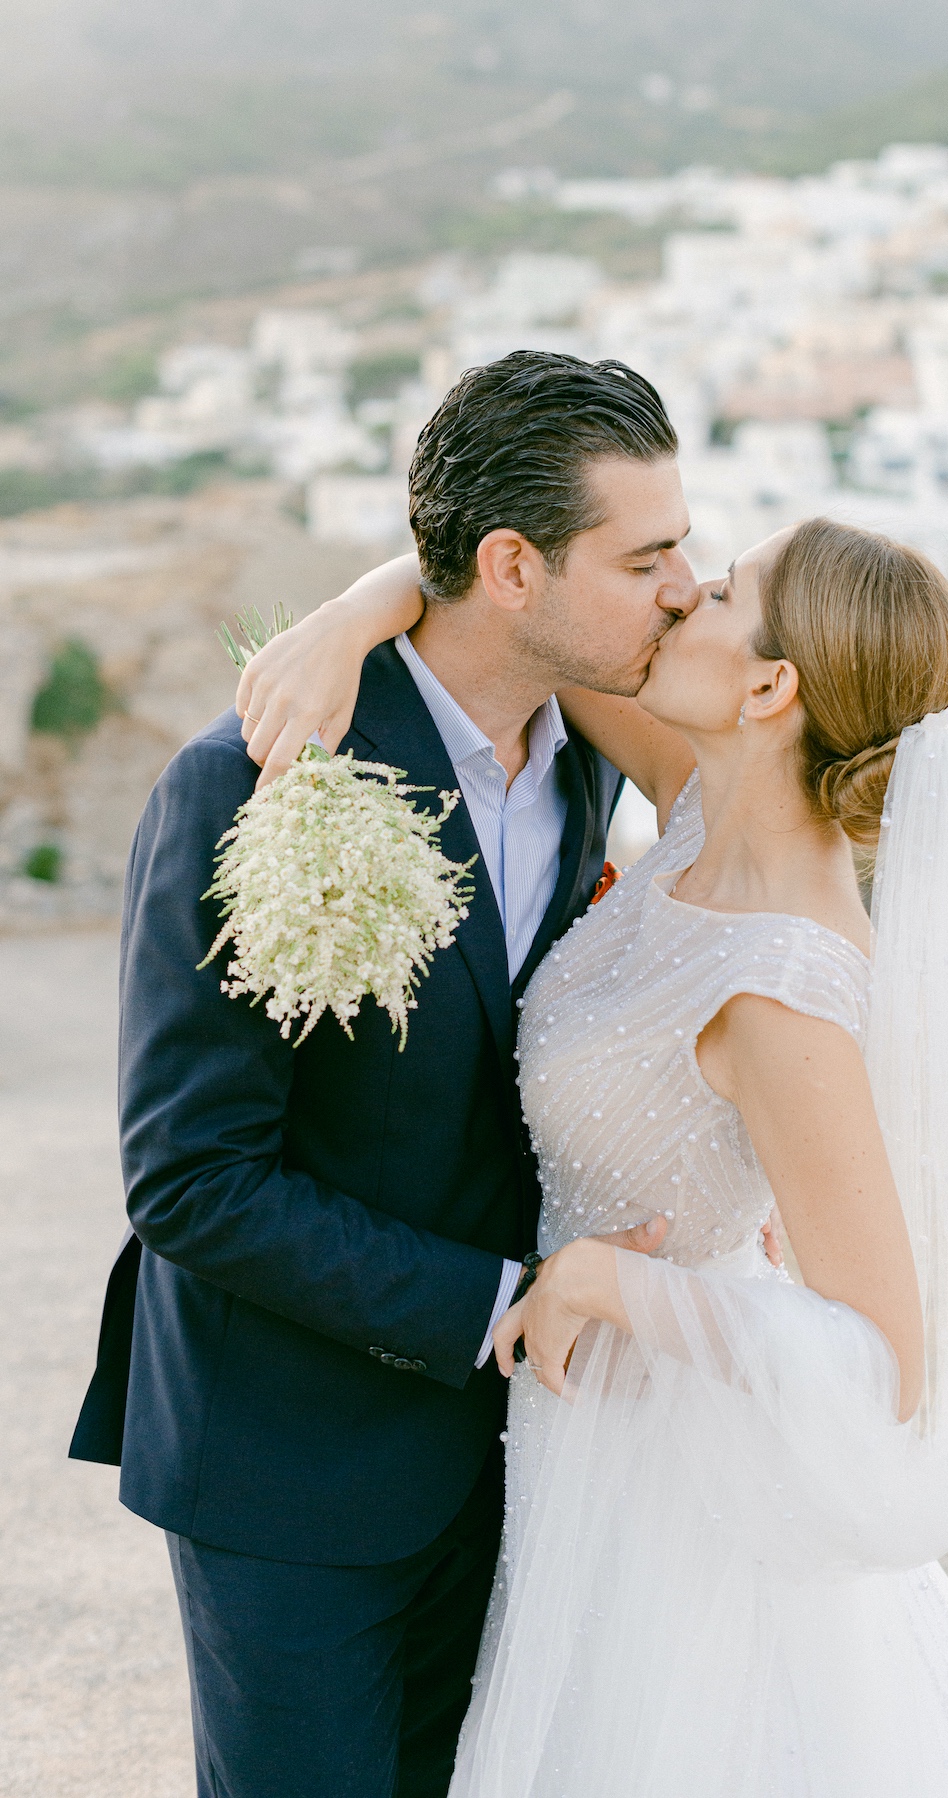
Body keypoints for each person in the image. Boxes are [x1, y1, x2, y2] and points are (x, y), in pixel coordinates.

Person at [242, 513, 948, 1795]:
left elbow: (886, 1368)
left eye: (725, 591)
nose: (687, 591)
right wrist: (352, 617)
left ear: (770, 686)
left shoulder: (786, 982)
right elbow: (530, 626)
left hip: (674, 1479)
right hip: (578, 1441)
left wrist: (607, 1283)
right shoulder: (703, 806)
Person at [68, 350, 720, 1798]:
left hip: (524, 1464)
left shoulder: (589, 756)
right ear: (512, 568)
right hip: (291, 1458)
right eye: (652, 553)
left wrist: (369, 596)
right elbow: (195, 1176)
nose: (689, 582)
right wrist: (499, 1304)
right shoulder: (253, 784)